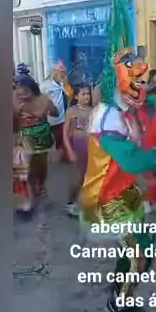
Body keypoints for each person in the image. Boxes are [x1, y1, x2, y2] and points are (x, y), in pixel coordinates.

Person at [79, 48, 156, 312]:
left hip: (124, 190)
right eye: (135, 80)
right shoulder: (107, 118)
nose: (140, 87)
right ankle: (119, 302)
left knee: (143, 247)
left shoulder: (124, 111)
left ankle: (123, 291)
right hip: (107, 197)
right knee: (137, 254)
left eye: (143, 81)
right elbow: (133, 160)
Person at [13, 74, 59, 203]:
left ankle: (41, 186)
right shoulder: (15, 100)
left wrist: (48, 107)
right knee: (29, 168)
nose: (22, 95)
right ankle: (31, 191)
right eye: (19, 92)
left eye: (25, 91)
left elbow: (56, 113)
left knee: (42, 166)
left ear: (31, 88)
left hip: (43, 138)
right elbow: (14, 126)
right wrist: (17, 113)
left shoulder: (43, 99)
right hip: (26, 139)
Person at [63, 83, 93, 217]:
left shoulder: (93, 110)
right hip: (78, 147)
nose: (87, 97)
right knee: (77, 177)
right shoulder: (72, 111)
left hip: (91, 147)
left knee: (90, 176)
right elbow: (65, 132)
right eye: (83, 94)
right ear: (76, 96)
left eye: (88, 94)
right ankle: (70, 202)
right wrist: (69, 150)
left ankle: (88, 202)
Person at [42, 61, 69, 159]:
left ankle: (62, 156)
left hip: (63, 117)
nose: (63, 74)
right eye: (61, 72)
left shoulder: (65, 84)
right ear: (55, 72)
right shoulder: (46, 85)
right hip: (52, 118)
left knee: (62, 139)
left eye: (64, 72)